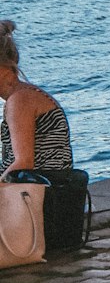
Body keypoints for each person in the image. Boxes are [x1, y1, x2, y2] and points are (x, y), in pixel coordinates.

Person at [0, 20, 72, 180]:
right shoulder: (26, 94)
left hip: (37, 196)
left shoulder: (20, 100)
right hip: (46, 189)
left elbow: (23, 162)